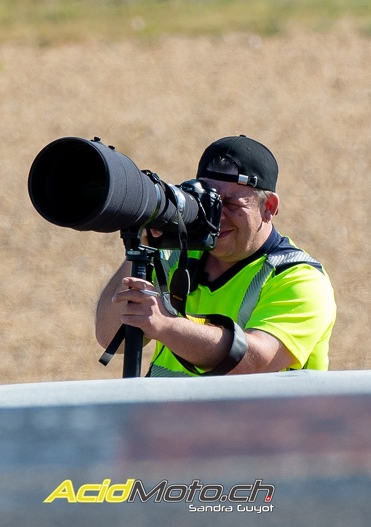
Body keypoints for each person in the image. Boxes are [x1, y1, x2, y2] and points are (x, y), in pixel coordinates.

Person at [95, 135, 336, 377]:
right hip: (166, 403)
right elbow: (111, 337)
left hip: (245, 405)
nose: (217, 216)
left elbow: (256, 360)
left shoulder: (298, 279)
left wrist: (166, 325)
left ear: (269, 207)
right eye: (208, 201)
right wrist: (143, 246)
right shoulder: (177, 254)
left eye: (231, 204)